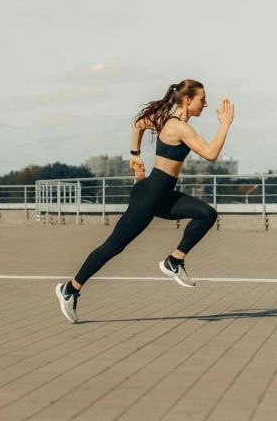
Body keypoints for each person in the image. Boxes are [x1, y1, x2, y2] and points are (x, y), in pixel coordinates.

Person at [55, 79, 234, 323]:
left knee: (207, 214)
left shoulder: (168, 121)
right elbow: (211, 154)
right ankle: (70, 289)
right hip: (149, 197)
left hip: (163, 195)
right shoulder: (178, 127)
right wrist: (225, 125)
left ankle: (174, 261)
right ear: (187, 99)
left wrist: (135, 155)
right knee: (113, 247)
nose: (206, 103)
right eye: (202, 99)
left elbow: (138, 124)